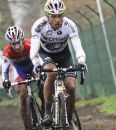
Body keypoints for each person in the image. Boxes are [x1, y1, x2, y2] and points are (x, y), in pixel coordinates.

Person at [30, 0, 86, 129]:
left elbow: (77, 45)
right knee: (52, 72)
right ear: (47, 16)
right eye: (53, 16)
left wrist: (81, 61)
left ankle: (69, 117)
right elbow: (34, 48)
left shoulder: (69, 25)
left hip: (64, 55)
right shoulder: (39, 25)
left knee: (71, 86)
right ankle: (48, 112)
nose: (57, 19)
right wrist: (37, 63)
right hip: (45, 54)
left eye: (60, 15)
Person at [1, 25, 44, 130]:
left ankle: (45, 110)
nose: (16, 46)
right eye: (13, 44)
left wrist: (42, 72)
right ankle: (27, 125)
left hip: (32, 66)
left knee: (43, 84)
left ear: (22, 40)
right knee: (22, 93)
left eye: (18, 42)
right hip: (19, 71)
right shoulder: (7, 52)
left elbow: (40, 60)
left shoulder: (30, 44)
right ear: (9, 44)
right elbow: (4, 70)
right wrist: (5, 80)